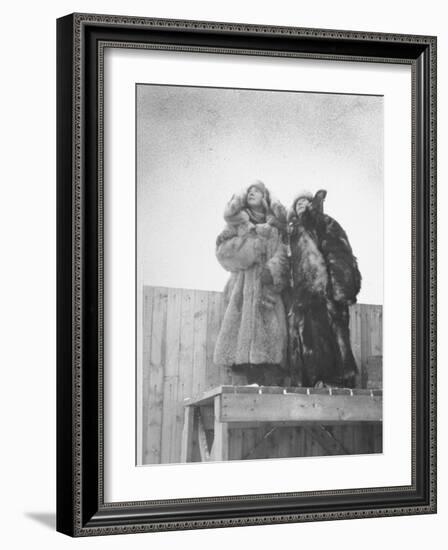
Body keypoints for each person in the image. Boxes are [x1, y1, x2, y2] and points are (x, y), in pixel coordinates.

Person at [213, 181, 289, 386]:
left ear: (265, 197)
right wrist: (251, 249)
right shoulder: (237, 225)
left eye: (257, 191)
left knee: (272, 346)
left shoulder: (276, 228)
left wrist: (272, 271)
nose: (252, 193)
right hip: (241, 293)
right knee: (243, 348)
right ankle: (252, 384)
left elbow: (284, 255)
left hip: (269, 293)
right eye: (249, 191)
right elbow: (222, 252)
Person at [288, 189, 361, 388]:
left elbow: (339, 253)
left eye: (304, 201)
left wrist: (339, 290)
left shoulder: (324, 222)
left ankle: (336, 385)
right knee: (307, 345)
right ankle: (312, 385)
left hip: (325, 294)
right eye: (297, 203)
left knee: (333, 341)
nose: (300, 204)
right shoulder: (292, 234)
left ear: (312, 204)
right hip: (302, 299)